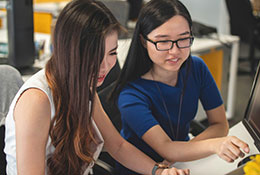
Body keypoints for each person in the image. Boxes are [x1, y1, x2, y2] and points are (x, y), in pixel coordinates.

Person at [3, 0, 189, 175]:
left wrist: (159, 171)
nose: (105, 65)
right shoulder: (37, 101)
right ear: (71, 51)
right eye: (95, 54)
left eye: (112, 53)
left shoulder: (82, 85)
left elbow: (117, 146)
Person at [110, 0, 250, 174]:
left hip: (183, 161)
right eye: (163, 42)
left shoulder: (196, 67)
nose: (175, 51)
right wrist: (212, 145)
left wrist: (184, 151)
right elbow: (166, 148)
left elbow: (220, 124)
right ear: (143, 41)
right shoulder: (131, 94)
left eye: (183, 39)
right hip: (146, 170)